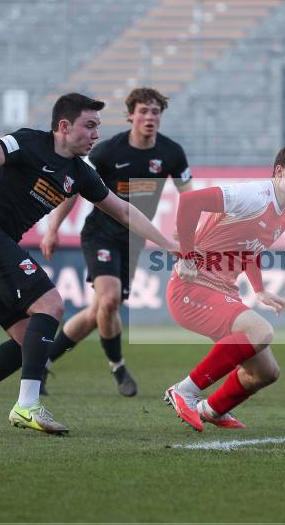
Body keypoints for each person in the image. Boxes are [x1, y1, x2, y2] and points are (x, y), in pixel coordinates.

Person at [0, 93, 178, 435]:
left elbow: (122, 210)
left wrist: (167, 243)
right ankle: (27, 406)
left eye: (98, 127)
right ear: (64, 126)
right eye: (89, 126)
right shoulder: (29, 142)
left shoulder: (80, 173)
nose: (96, 134)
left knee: (28, 343)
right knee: (51, 304)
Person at [39, 87, 192, 397]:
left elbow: (188, 194)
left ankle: (41, 361)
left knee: (100, 310)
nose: (150, 117)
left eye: (155, 112)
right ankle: (118, 367)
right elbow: (74, 189)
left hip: (133, 240)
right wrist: (53, 227)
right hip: (101, 233)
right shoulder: (108, 152)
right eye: (144, 111)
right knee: (108, 302)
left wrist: (184, 227)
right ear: (131, 115)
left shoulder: (172, 153)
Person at [163, 143, 285, 431]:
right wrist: (187, 256)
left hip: (222, 291)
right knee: (260, 331)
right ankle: (185, 391)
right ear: (279, 171)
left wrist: (260, 289)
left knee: (265, 372)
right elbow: (190, 202)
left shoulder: (284, 215)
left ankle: (212, 409)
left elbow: (248, 250)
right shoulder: (253, 195)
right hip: (192, 288)